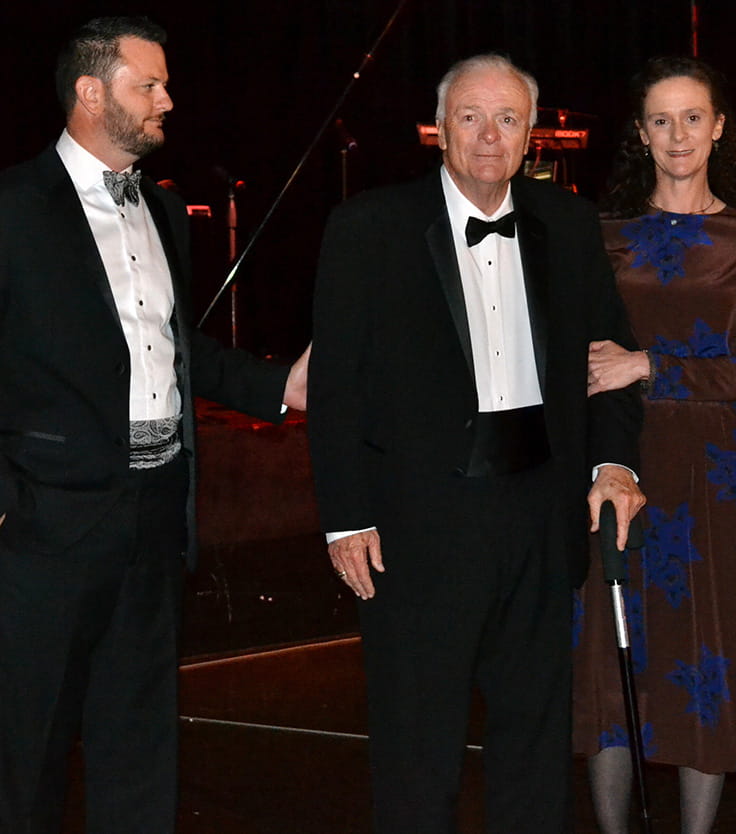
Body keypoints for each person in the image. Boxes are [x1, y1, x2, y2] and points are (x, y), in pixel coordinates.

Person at [308, 53, 645, 833]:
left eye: (507, 119)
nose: (489, 136)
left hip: (540, 510)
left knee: (534, 739)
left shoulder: (568, 223)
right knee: (416, 744)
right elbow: (336, 389)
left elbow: (611, 361)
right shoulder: (368, 227)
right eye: (470, 117)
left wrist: (615, 462)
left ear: (532, 134)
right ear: (438, 130)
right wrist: (345, 515)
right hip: (418, 524)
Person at [0, 16, 308, 834]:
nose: (168, 99)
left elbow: (179, 350)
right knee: (24, 755)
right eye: (150, 84)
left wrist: (283, 384)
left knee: (138, 744)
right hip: (48, 525)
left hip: (156, 513)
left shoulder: (165, 214)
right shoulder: (12, 209)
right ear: (90, 92)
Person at [572, 56, 736, 834]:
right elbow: (580, 351)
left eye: (693, 117)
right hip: (617, 458)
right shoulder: (603, 238)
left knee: (707, 655)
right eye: (660, 120)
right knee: (609, 653)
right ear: (640, 134)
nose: (678, 135)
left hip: (715, 472)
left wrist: (646, 364)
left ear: (719, 126)